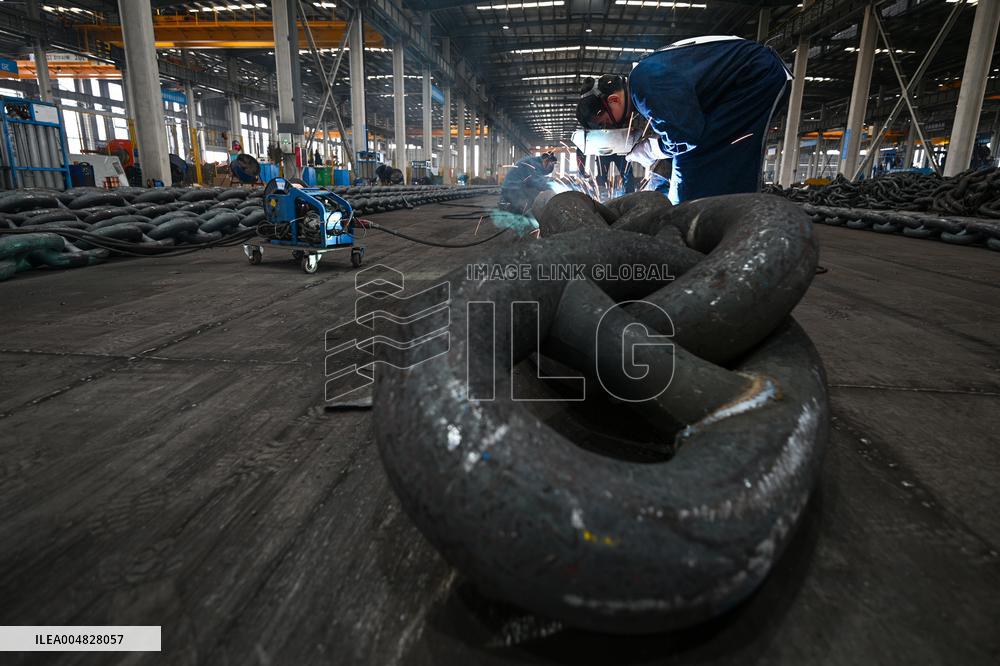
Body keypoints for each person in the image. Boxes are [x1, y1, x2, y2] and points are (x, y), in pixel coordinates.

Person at [576, 36, 790, 204]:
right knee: (692, 161)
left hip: (755, 77)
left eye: (605, 123)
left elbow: (684, 136)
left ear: (613, 100)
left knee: (694, 164)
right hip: (752, 74)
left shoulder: (643, 86)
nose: (611, 127)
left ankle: (719, 218)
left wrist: (652, 149)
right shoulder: (643, 83)